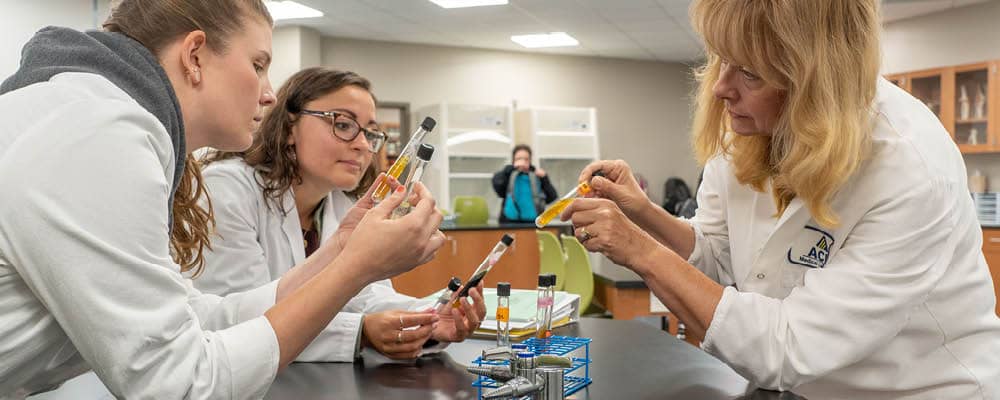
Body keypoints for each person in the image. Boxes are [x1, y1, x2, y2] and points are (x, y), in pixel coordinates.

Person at [0, 1, 443, 398]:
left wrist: (341, 251)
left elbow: (197, 318)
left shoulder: (91, 118)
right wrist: (356, 268)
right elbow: (180, 385)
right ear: (194, 56)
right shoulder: (97, 136)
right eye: (258, 64)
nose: (269, 94)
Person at [563, 0, 1000, 398]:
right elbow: (718, 257)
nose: (721, 87)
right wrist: (644, 213)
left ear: (814, 78)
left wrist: (639, 250)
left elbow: (788, 347)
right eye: (722, 60)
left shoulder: (909, 171)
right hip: (805, 386)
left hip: (919, 389)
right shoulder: (750, 130)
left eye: (750, 72)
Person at [197, 67, 486, 361]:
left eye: (370, 133)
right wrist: (360, 332)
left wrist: (429, 317)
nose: (362, 144)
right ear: (288, 128)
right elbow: (241, 322)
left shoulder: (341, 203)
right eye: (344, 124)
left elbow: (367, 296)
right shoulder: (228, 189)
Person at [492, 144, 558, 223]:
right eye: (519, 158)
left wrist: (544, 178)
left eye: (526, 159)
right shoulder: (508, 174)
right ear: (513, 160)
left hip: (532, 224)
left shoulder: (537, 176)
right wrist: (508, 170)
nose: (522, 162)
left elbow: (552, 197)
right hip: (509, 222)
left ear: (530, 161)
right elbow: (498, 188)